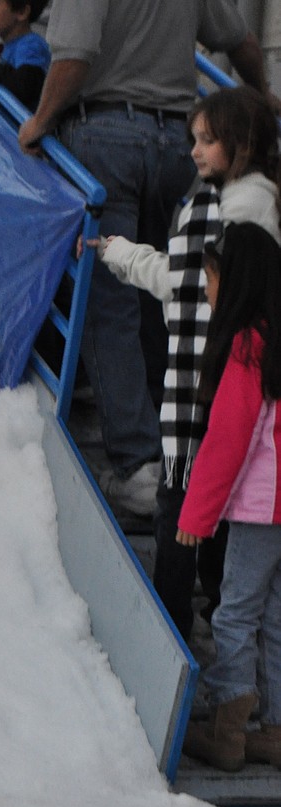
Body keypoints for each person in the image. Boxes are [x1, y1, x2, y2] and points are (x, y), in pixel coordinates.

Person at [17, 0, 272, 518]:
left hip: (104, 138)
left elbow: (75, 57)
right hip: (178, 147)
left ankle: (137, 462)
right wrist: (261, 100)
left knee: (109, 305)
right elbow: (241, 38)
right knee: (163, 295)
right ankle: (174, 445)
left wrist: (38, 123)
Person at [91, 86, 281, 639]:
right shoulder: (263, 200)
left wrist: (116, 253)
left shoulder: (223, 207)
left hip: (206, 385)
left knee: (180, 519)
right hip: (237, 384)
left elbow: (176, 281)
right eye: (193, 138)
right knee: (224, 533)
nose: (194, 151)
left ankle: (168, 642)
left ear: (240, 144)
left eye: (207, 140)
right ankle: (230, 673)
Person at [176, 224, 281, 771]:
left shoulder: (247, 346)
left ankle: (228, 731)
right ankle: (274, 730)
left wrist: (198, 513)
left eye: (212, 276)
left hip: (263, 508)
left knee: (235, 613)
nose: (209, 288)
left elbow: (228, 439)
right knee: (277, 616)